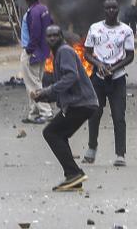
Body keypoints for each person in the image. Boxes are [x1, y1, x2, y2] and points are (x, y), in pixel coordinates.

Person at [33, 25, 99, 191]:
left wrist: (48, 90)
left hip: (81, 103)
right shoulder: (58, 54)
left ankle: (73, 173)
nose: (52, 38)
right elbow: (65, 85)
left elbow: (71, 76)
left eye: (56, 35)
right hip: (79, 103)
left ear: (61, 36)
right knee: (59, 135)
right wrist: (45, 96)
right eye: (49, 36)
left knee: (51, 133)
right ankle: (73, 178)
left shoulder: (64, 51)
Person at [83, 0, 135, 167]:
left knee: (119, 116)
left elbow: (130, 56)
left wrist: (113, 68)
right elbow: (87, 53)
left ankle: (120, 154)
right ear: (103, 10)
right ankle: (91, 148)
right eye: (108, 8)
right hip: (98, 78)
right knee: (94, 114)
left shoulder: (126, 30)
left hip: (117, 78)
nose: (111, 11)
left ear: (118, 10)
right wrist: (99, 65)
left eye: (114, 8)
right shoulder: (95, 29)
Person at [20, 0, 54, 124]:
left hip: (32, 52)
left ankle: (46, 112)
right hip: (42, 52)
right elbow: (51, 25)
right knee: (35, 81)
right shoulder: (44, 9)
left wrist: (29, 49)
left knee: (33, 84)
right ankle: (33, 113)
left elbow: (36, 32)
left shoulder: (33, 12)